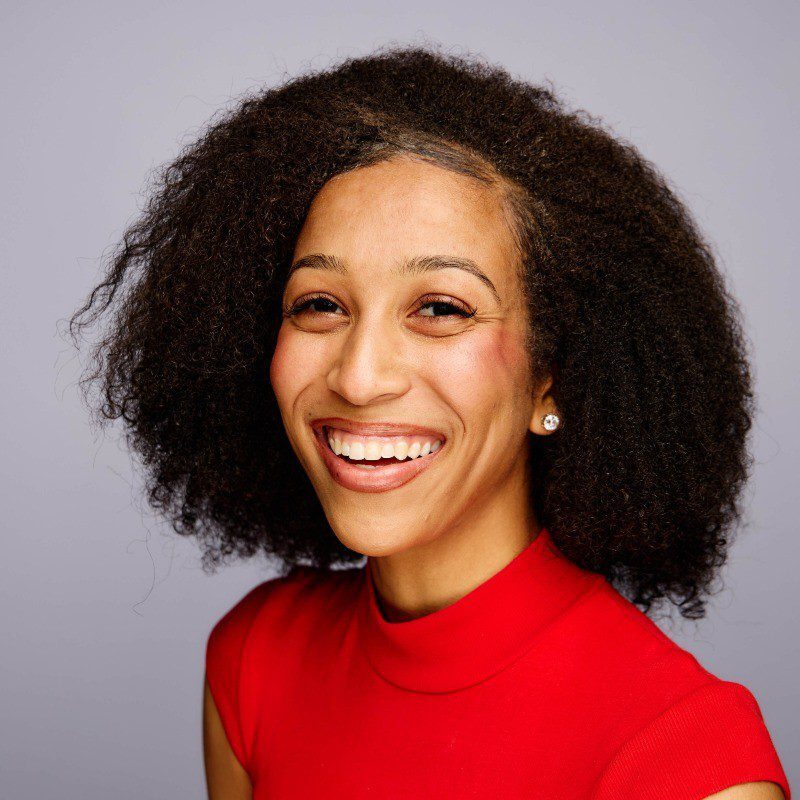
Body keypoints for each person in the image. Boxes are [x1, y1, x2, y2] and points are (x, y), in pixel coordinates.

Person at [69, 44, 791, 799]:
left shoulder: (684, 758)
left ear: (552, 375)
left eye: (441, 308)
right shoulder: (253, 661)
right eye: (320, 304)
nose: (358, 375)